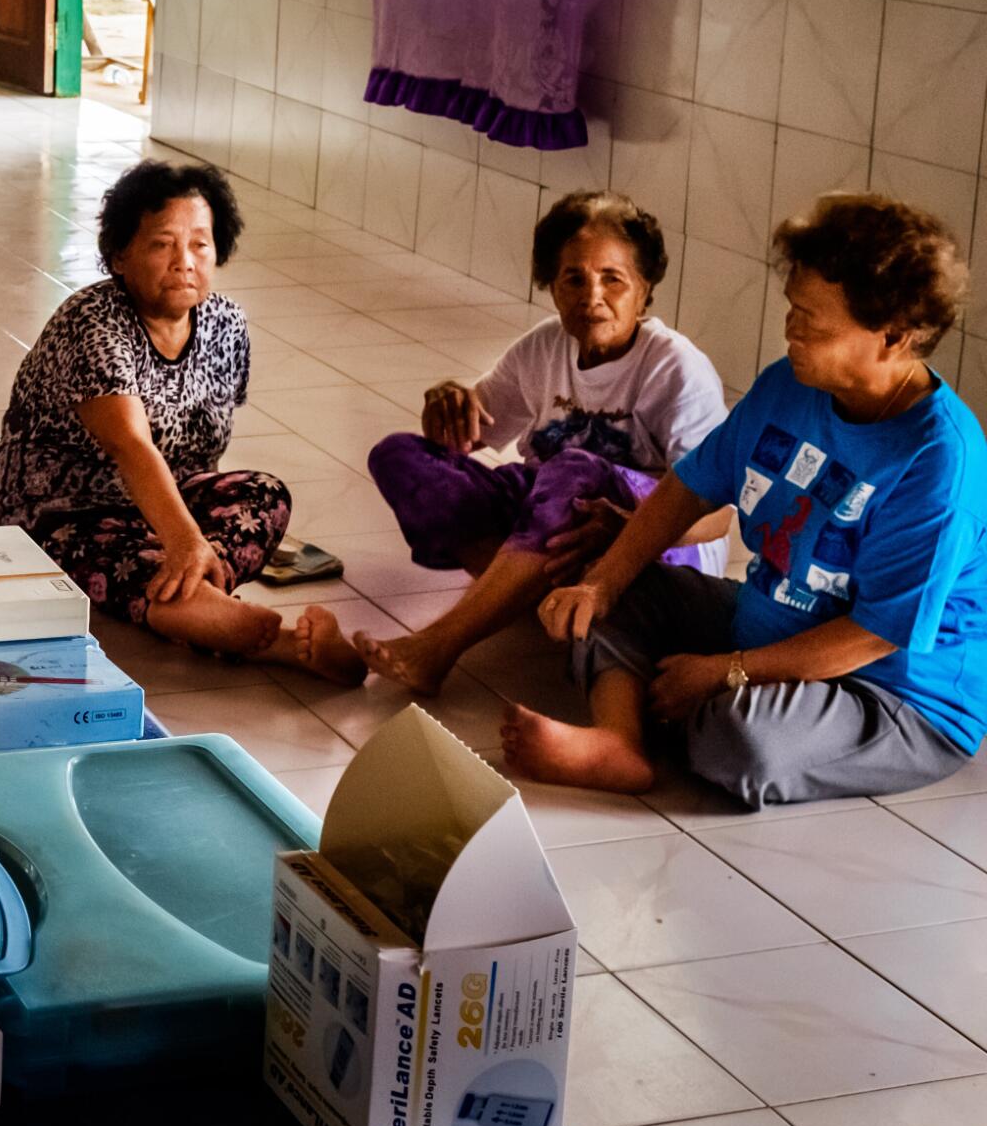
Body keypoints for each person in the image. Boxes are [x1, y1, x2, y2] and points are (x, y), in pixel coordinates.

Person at [506, 193, 985, 805]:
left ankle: (681, 709)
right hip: (764, 621)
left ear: (892, 336)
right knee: (609, 586)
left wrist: (722, 672)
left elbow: (871, 636)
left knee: (741, 739)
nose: (790, 329)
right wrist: (603, 582)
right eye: (792, 309)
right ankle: (619, 743)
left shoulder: (939, 462)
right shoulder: (789, 383)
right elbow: (690, 486)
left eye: (812, 320)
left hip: (891, 695)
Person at [0, 160, 365, 683]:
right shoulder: (92, 323)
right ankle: (270, 641)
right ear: (120, 256)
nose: (184, 261)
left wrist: (184, 536)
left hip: (163, 501)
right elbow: (131, 446)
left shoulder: (227, 324)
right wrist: (184, 539)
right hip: (62, 510)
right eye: (163, 245)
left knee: (266, 494)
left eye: (200, 245)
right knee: (113, 557)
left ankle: (200, 602)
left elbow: (204, 453)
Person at [356, 191, 731, 695]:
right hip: (556, 518)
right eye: (573, 278)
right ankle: (522, 594)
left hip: (647, 544)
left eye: (613, 279)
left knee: (573, 467)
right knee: (399, 457)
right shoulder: (543, 346)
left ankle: (440, 644)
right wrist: (448, 401)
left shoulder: (677, 368)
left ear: (645, 290)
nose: (591, 295)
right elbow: (465, 437)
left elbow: (716, 516)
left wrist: (625, 524)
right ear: (551, 289)